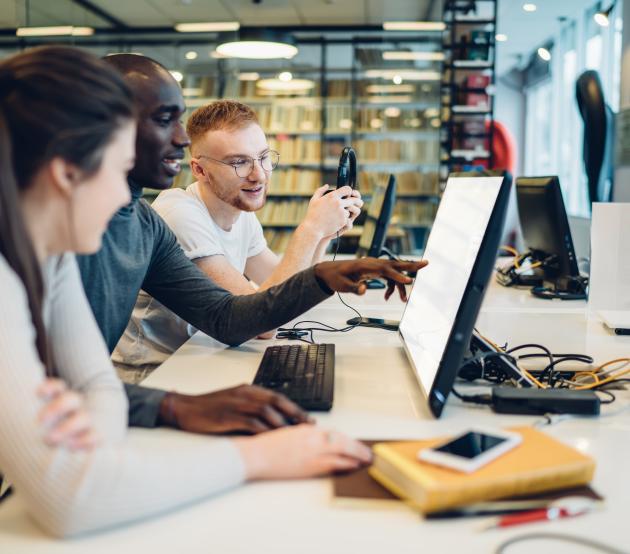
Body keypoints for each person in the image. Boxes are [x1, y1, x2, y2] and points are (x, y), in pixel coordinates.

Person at [0, 45, 406, 537]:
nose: (124, 202)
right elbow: (72, 499)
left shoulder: (68, 249)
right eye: (115, 170)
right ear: (66, 175)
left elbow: (96, 391)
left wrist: (96, 408)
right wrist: (256, 457)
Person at [74, 53, 425, 437]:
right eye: (163, 120)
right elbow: (56, 384)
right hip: (135, 390)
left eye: (262, 158)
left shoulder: (144, 223)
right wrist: (309, 234)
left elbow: (229, 317)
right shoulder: (92, 224)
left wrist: (324, 270)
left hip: (135, 394)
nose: (181, 138)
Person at [113, 99, 364, 372]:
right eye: (239, 163)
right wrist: (310, 229)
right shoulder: (180, 214)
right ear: (199, 170)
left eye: (264, 157)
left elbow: (286, 292)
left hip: (205, 356)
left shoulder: (240, 211)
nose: (259, 175)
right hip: (155, 373)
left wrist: (324, 233)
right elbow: (262, 324)